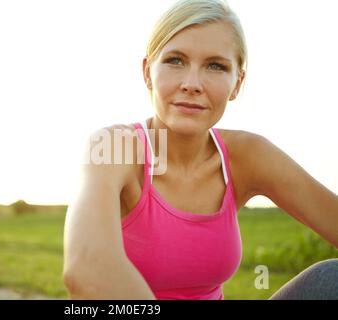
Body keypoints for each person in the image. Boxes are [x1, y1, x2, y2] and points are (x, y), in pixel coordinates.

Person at [63, 0, 338, 300]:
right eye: (175, 61)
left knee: (330, 279)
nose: (191, 83)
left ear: (237, 83)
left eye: (215, 66)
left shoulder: (248, 155)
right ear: (147, 72)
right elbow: (87, 269)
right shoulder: (115, 147)